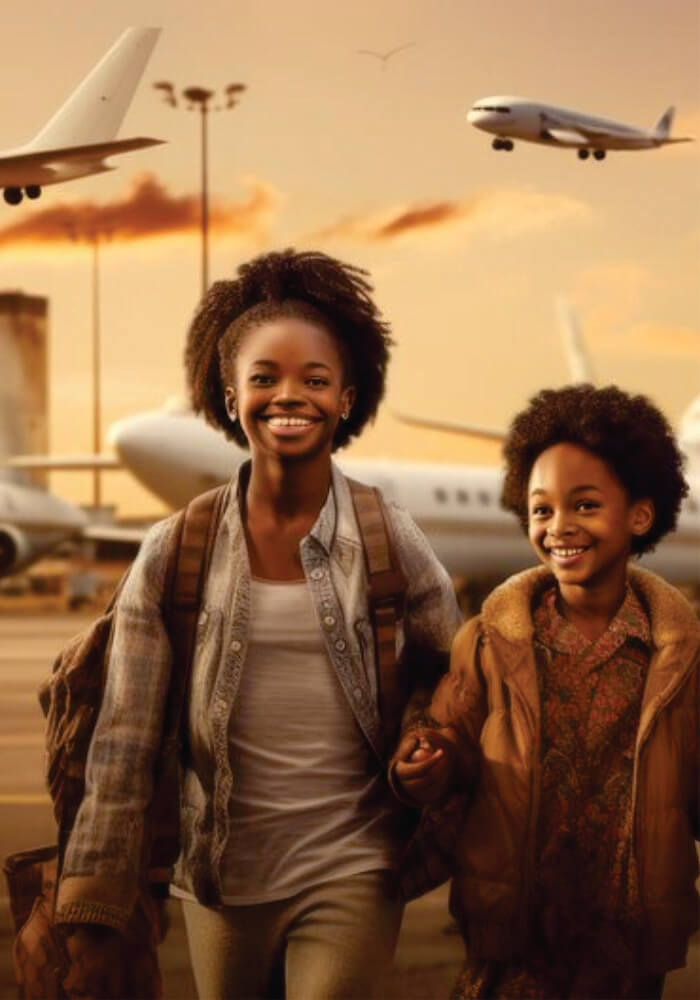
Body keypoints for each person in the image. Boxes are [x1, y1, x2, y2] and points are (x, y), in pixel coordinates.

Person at [54, 249, 462, 999]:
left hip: (356, 861)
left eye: (314, 379)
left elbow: (448, 673)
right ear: (230, 394)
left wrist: (422, 741)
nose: (289, 396)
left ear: (346, 397)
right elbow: (124, 738)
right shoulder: (174, 548)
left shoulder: (388, 535)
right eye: (264, 378)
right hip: (218, 876)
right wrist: (93, 896)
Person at [393, 384, 699, 1000]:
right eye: (541, 509)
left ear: (640, 515)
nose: (559, 527)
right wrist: (428, 760)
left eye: (585, 505)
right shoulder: (488, 641)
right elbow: (451, 733)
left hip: (628, 948)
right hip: (514, 939)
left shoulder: (682, 657)